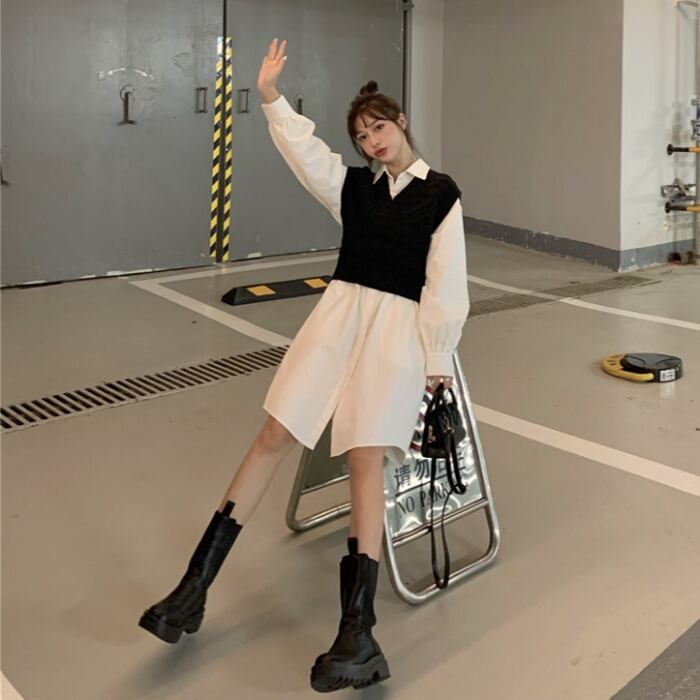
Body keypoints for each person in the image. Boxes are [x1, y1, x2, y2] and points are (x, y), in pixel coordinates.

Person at [138, 38, 469, 693]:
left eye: (378, 128)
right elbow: (305, 152)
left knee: (365, 459)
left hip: (397, 333)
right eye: (361, 136)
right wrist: (269, 96)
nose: (371, 142)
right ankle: (193, 589)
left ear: (400, 122)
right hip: (337, 320)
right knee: (273, 432)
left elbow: (447, 278)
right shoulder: (352, 189)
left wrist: (436, 360)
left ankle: (358, 631)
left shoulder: (441, 193)